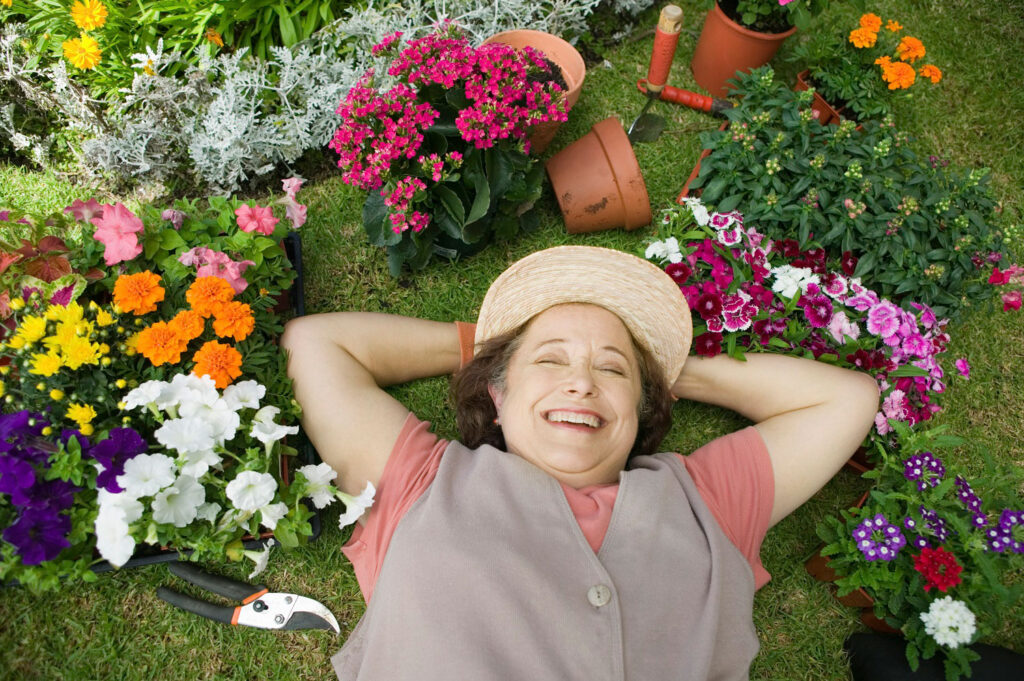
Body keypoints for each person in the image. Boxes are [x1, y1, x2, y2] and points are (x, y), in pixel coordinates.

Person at [281, 245, 879, 680]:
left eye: (611, 370)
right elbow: (315, 344)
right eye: (549, 363)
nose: (580, 385)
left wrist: (662, 370)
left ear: (644, 408)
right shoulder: (420, 483)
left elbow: (847, 399)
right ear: (498, 393)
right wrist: (489, 346)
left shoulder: (706, 502)